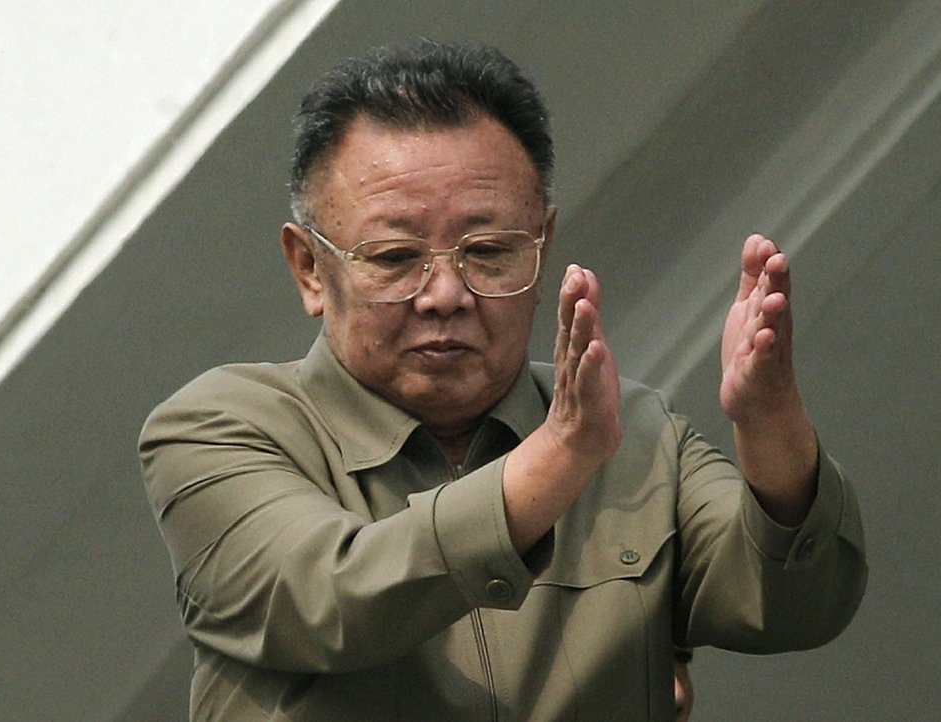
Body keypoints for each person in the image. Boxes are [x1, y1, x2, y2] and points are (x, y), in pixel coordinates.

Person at [139, 39, 867, 721]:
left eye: (487, 251)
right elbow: (330, 600)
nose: (445, 294)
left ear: (542, 247)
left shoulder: (637, 436)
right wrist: (562, 456)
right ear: (309, 268)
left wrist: (768, 420)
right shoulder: (220, 428)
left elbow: (800, 607)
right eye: (394, 258)